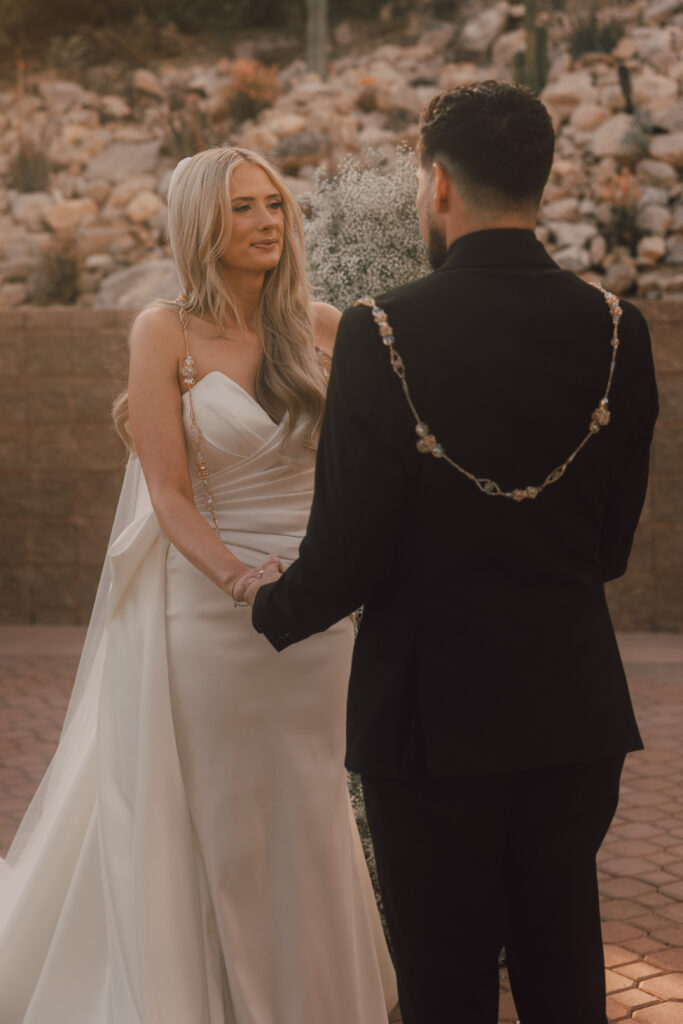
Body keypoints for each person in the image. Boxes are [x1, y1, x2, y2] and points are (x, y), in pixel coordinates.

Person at [249, 83, 659, 1024]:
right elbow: (607, 548)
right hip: (573, 712)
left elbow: (347, 550)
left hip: (431, 721)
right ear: (543, 179)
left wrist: (267, 605)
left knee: (444, 979)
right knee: (564, 963)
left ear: (436, 184)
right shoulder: (615, 328)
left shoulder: (381, 329)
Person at [0, 146, 397, 1023]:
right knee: (222, 815)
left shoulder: (328, 327)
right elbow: (169, 493)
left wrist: (327, 572)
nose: (265, 221)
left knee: (306, 803)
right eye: (241, 208)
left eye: (272, 205)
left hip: (320, 612)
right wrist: (240, 582)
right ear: (199, 226)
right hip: (211, 606)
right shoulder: (164, 331)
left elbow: (388, 458)